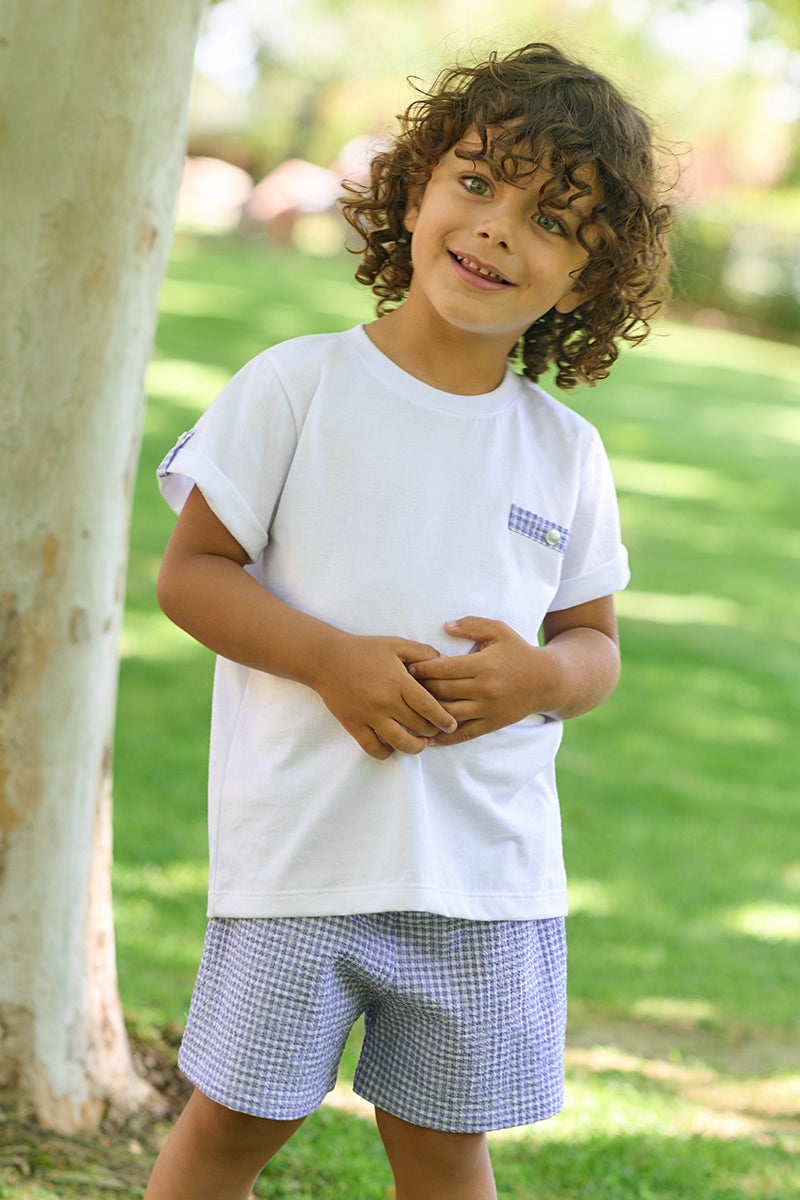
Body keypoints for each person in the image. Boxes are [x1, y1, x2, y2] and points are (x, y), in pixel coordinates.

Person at [144, 42, 672, 1200]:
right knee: (231, 1126)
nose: (494, 229)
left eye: (550, 219)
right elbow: (191, 576)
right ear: (418, 185)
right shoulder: (296, 386)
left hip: (482, 873)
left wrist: (542, 681)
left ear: (584, 281)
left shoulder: (563, 454)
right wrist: (329, 660)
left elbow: (595, 645)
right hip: (304, 856)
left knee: (441, 1148)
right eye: (477, 183)